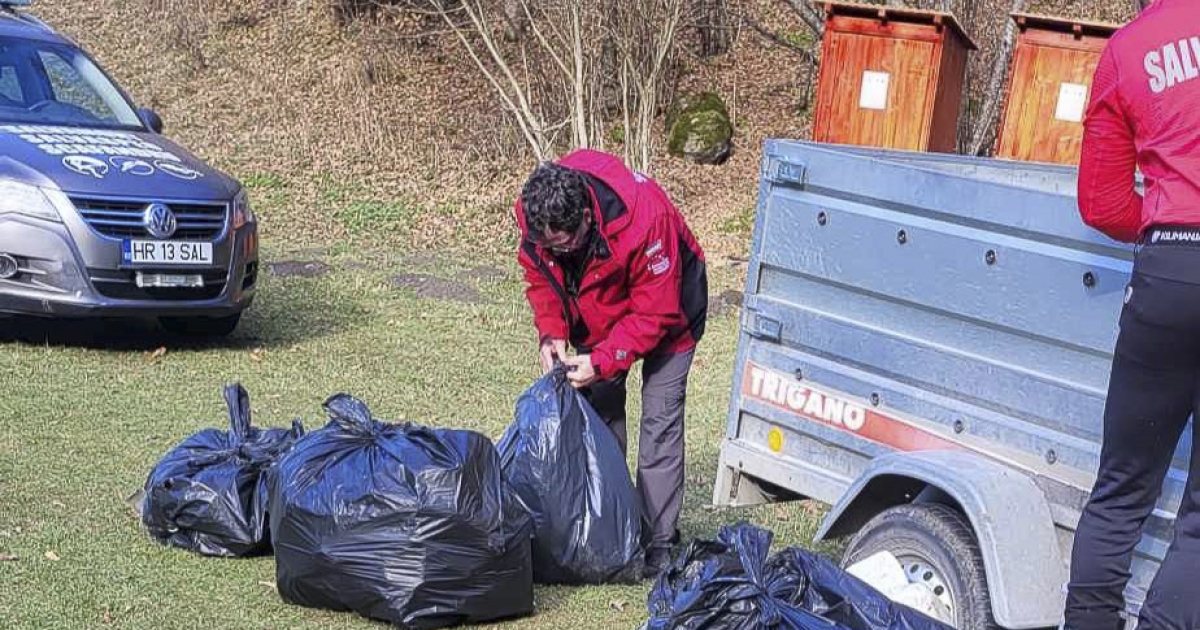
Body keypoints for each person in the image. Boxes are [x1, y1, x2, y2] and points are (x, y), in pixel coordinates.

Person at [1066, 1, 1200, 628]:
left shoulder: (1131, 47)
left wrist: (1161, 230)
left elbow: (1101, 201)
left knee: (1121, 492)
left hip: (1172, 271)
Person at [514, 149, 708, 577]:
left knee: (659, 423)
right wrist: (553, 333)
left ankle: (658, 542)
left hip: (672, 310)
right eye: (547, 244)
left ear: (585, 216)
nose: (553, 251)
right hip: (601, 306)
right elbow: (540, 277)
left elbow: (656, 314)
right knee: (597, 416)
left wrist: (602, 360)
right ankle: (606, 526)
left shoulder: (644, 220)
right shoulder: (536, 218)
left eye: (561, 244)